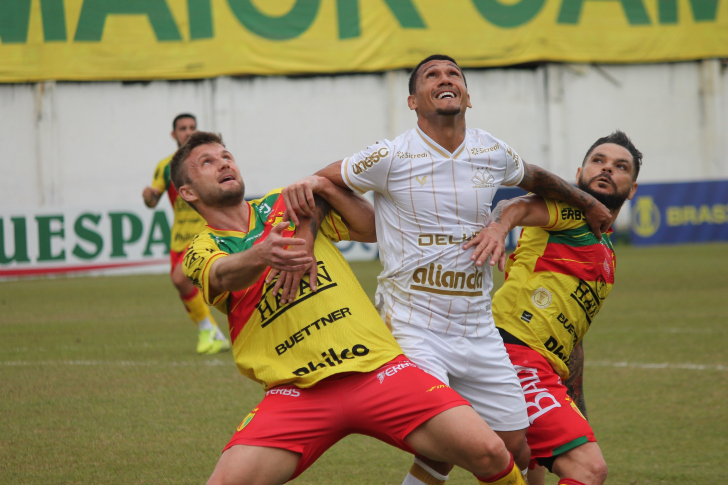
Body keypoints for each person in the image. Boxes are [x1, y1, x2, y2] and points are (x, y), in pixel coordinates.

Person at [281, 54, 613, 484]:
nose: (445, 79)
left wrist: (588, 203)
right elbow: (317, 184)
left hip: (477, 328)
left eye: (454, 74)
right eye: (431, 75)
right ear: (412, 101)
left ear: (467, 97)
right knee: (458, 439)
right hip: (413, 325)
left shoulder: (490, 150)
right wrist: (304, 239)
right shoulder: (390, 154)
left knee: (514, 445)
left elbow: (536, 178)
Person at [171, 131, 530, 485]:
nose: (223, 164)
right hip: (296, 391)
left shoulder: (285, 202)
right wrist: (260, 255)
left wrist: (325, 189)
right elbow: (220, 277)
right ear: (187, 191)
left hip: (377, 371)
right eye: (207, 162)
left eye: (226, 156)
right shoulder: (201, 248)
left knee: (491, 453)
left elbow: (373, 227)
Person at [463, 131, 641, 485]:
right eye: (598, 161)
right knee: (588, 470)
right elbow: (519, 206)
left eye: (621, 166)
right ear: (578, 174)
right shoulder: (569, 211)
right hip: (515, 349)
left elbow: (573, 337)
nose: (607, 169)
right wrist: (499, 228)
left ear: (632, 189)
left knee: (519, 457)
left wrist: (576, 405)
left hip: (543, 363)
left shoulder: (606, 250)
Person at [141, 113, 230, 355]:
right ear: (174, 134)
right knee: (184, 288)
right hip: (178, 238)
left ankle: (211, 330)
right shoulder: (166, 166)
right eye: (182, 128)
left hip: (205, 232)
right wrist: (148, 196)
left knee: (181, 279)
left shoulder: (207, 161)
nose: (188, 132)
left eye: (192, 127)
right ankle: (212, 332)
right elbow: (153, 199)